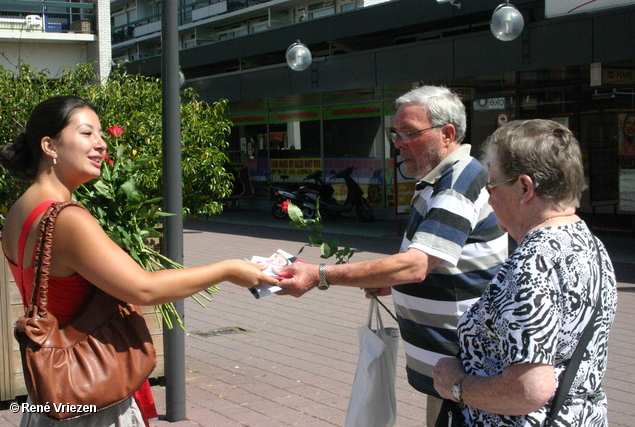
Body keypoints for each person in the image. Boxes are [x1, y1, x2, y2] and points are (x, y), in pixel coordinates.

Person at [0, 95, 280, 426]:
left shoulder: (18, 212)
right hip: (89, 391)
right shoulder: (67, 219)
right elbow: (144, 289)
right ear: (50, 145)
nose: (101, 145)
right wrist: (228, 269)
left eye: (101, 134)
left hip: (51, 391)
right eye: (87, 133)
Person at [275, 85, 508, 426]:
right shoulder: (441, 179)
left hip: (466, 371)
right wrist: (391, 284)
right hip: (452, 369)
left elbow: (415, 265)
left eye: (409, 133)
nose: (397, 144)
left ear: (447, 134)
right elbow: (438, 260)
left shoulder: (458, 184)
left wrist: (318, 275)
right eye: (395, 133)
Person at [432, 119, 618, 426]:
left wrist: (456, 386)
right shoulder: (587, 242)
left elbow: (528, 389)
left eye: (491, 186)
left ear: (525, 187)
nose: (488, 198)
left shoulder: (533, 263)